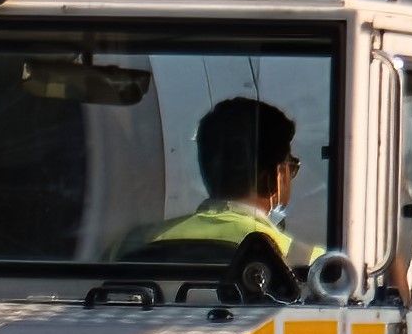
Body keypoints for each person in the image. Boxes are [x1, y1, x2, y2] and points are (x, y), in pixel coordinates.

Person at [126, 96, 304, 268]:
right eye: (292, 167)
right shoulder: (306, 263)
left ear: (206, 167)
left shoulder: (133, 244)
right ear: (278, 174)